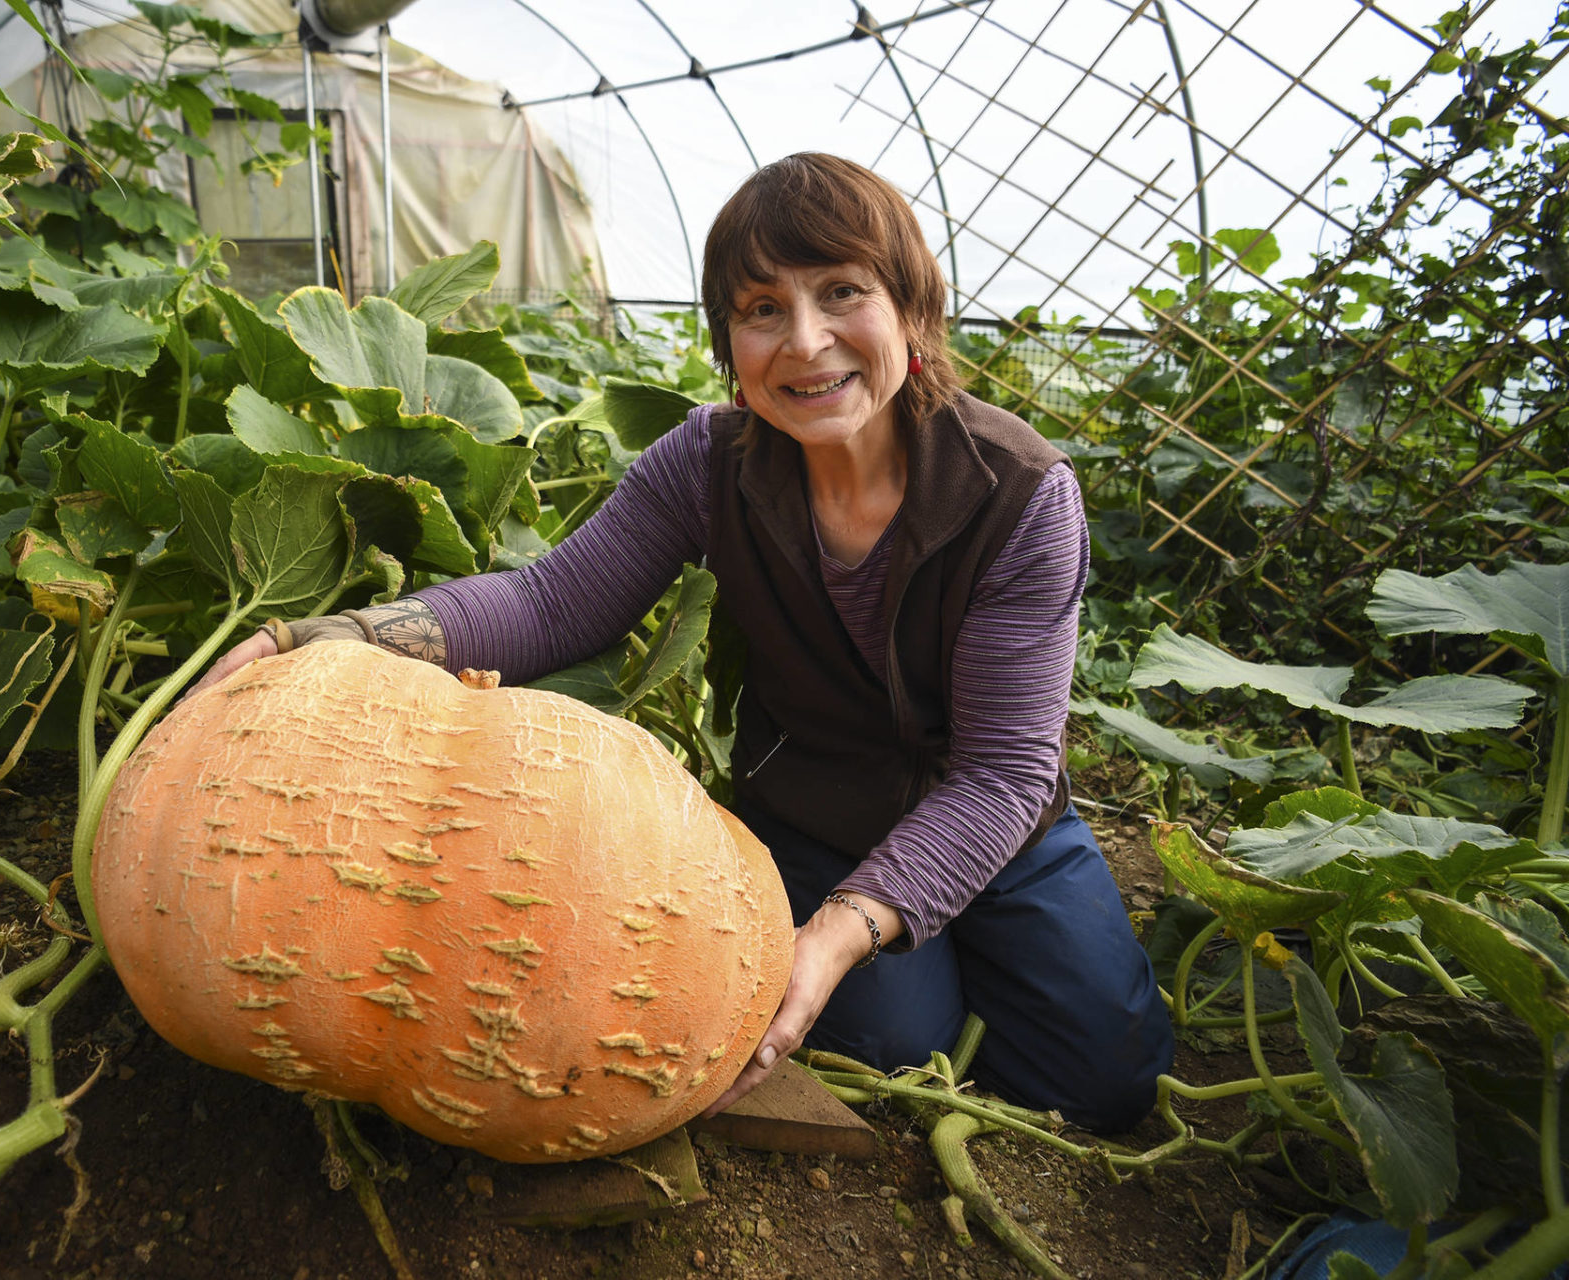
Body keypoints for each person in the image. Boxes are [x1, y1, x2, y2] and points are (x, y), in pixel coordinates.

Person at [192, 153, 1174, 1135]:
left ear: (914, 310)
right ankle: (929, 977)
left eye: (842, 293)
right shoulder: (711, 461)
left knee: (1103, 1078)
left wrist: (842, 928)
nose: (806, 340)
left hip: (998, 825)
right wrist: (333, 636)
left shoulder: (1017, 493)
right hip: (814, 810)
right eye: (760, 309)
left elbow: (1003, 773)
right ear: (729, 343)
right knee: (895, 1053)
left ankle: (976, 950)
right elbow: (549, 605)